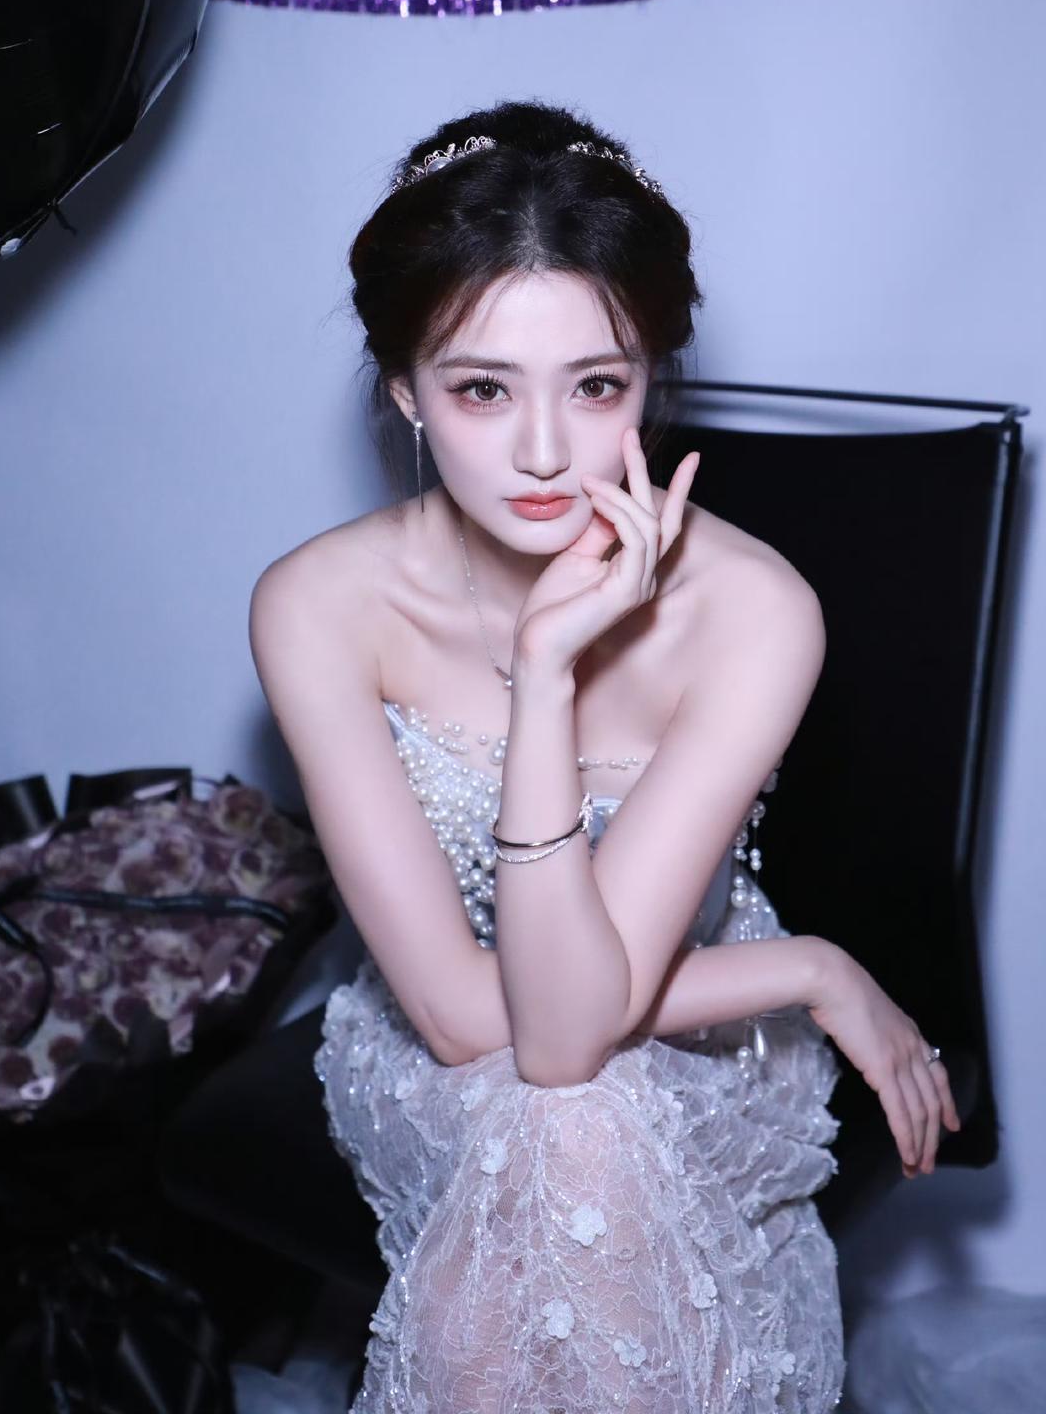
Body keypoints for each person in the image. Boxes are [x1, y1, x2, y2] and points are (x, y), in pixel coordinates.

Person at [248, 101, 961, 1412]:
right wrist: (811, 965)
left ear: (652, 383)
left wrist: (547, 675)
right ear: (404, 390)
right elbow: (472, 1021)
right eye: (481, 388)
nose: (541, 451)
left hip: (703, 1034)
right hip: (432, 1041)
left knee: (573, 1125)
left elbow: (570, 1031)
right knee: (560, 1123)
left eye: (595, 386)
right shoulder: (318, 605)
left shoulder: (754, 610)